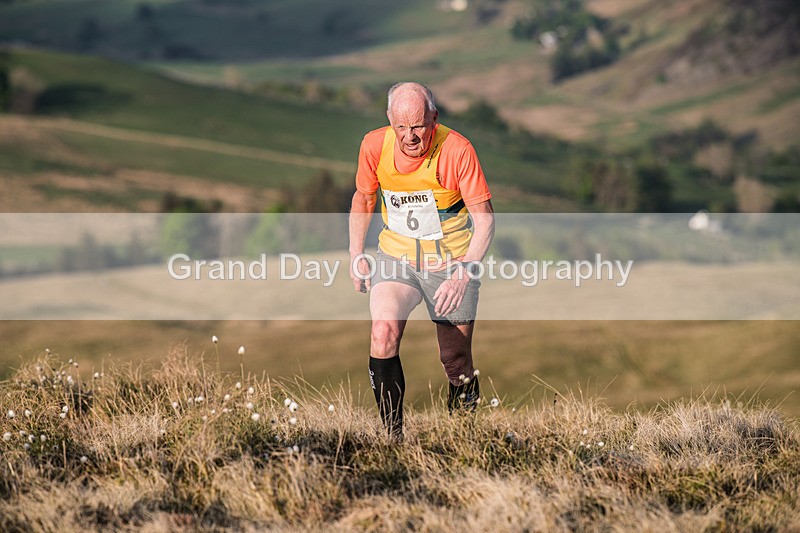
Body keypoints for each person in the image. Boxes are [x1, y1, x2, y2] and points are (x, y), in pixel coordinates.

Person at [348, 82, 495, 439]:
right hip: (396, 258)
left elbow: (486, 219)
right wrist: (356, 253)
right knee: (382, 332)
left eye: (418, 127)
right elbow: (363, 198)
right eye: (401, 127)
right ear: (389, 120)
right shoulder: (373, 145)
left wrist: (464, 272)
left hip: (451, 265)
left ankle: (464, 437)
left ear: (434, 117)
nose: (409, 137)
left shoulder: (457, 150)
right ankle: (393, 439)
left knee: (455, 361)